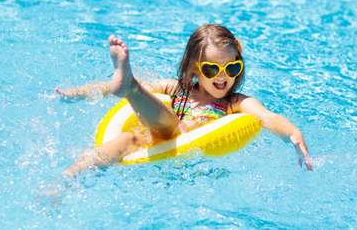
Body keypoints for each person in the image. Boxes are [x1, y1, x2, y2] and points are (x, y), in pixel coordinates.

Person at [56, 24, 313, 178]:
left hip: (185, 149)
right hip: (155, 139)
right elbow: (103, 89)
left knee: (169, 123)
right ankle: (71, 175)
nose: (223, 77)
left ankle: (131, 87)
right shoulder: (175, 88)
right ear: (194, 69)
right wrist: (76, 92)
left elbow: (268, 117)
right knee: (128, 139)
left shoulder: (235, 102)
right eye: (213, 70)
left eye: (232, 68)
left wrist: (292, 133)